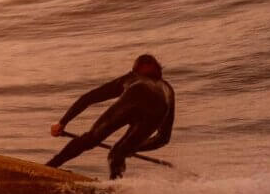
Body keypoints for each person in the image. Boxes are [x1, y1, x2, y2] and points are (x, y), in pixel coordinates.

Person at [47, 54, 175, 179]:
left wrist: (63, 122)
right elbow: (163, 139)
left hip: (135, 95)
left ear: (136, 70)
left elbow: (90, 97)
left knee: (91, 139)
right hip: (158, 110)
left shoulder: (133, 78)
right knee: (117, 153)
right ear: (159, 71)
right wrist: (130, 148)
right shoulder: (168, 90)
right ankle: (115, 189)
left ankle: (50, 167)